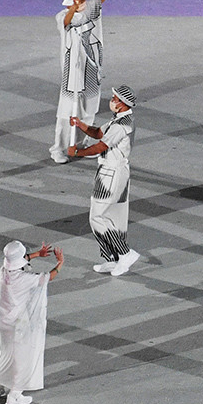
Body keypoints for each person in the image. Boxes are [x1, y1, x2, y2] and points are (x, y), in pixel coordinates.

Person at [50, 0, 126, 164]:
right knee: (67, 113)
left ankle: (81, 144)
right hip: (72, 75)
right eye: (80, 0)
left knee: (88, 110)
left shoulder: (90, 9)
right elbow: (66, 23)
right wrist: (73, 8)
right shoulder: (62, 17)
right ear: (70, 2)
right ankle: (58, 149)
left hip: (90, 71)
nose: (84, 2)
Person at [68, 85, 140, 276]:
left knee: (97, 217)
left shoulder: (121, 125)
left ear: (124, 104)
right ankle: (112, 258)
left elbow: (100, 146)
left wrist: (77, 153)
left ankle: (124, 253)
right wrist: (80, 125)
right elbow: (99, 133)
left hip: (112, 173)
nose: (112, 101)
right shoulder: (120, 119)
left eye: (116, 99)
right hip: (114, 171)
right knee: (112, 217)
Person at [0, 241, 63, 404]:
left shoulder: (3, 272)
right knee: (22, 359)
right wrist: (60, 263)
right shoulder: (24, 279)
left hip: (4, 322)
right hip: (19, 325)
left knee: (6, 353)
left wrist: (38, 254)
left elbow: (19, 260)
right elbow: (47, 277)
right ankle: (15, 395)